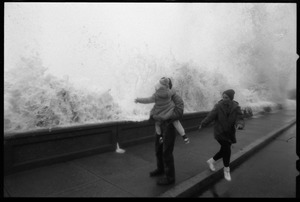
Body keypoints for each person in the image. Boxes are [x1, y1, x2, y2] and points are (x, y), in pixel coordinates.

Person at [142, 77, 184, 185]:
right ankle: (160, 169)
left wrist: (166, 117)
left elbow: (179, 112)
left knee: (167, 152)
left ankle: (170, 177)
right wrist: (151, 116)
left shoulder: (175, 97)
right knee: (158, 149)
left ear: (168, 86)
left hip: (169, 127)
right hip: (159, 127)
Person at [199, 89, 244, 181]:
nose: (224, 99)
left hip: (229, 133)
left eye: (226, 97)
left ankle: (211, 161)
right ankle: (226, 170)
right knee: (227, 149)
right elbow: (211, 116)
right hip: (220, 132)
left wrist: (239, 124)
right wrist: (203, 124)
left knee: (224, 150)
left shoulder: (236, 107)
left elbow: (240, 117)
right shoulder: (219, 106)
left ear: (231, 98)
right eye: (223, 97)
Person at [135, 77, 189, 144]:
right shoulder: (169, 93)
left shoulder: (156, 95)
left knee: (157, 123)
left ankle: (160, 137)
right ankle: (184, 137)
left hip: (160, 113)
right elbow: (174, 90)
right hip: (170, 112)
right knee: (176, 121)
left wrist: (138, 100)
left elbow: (147, 100)